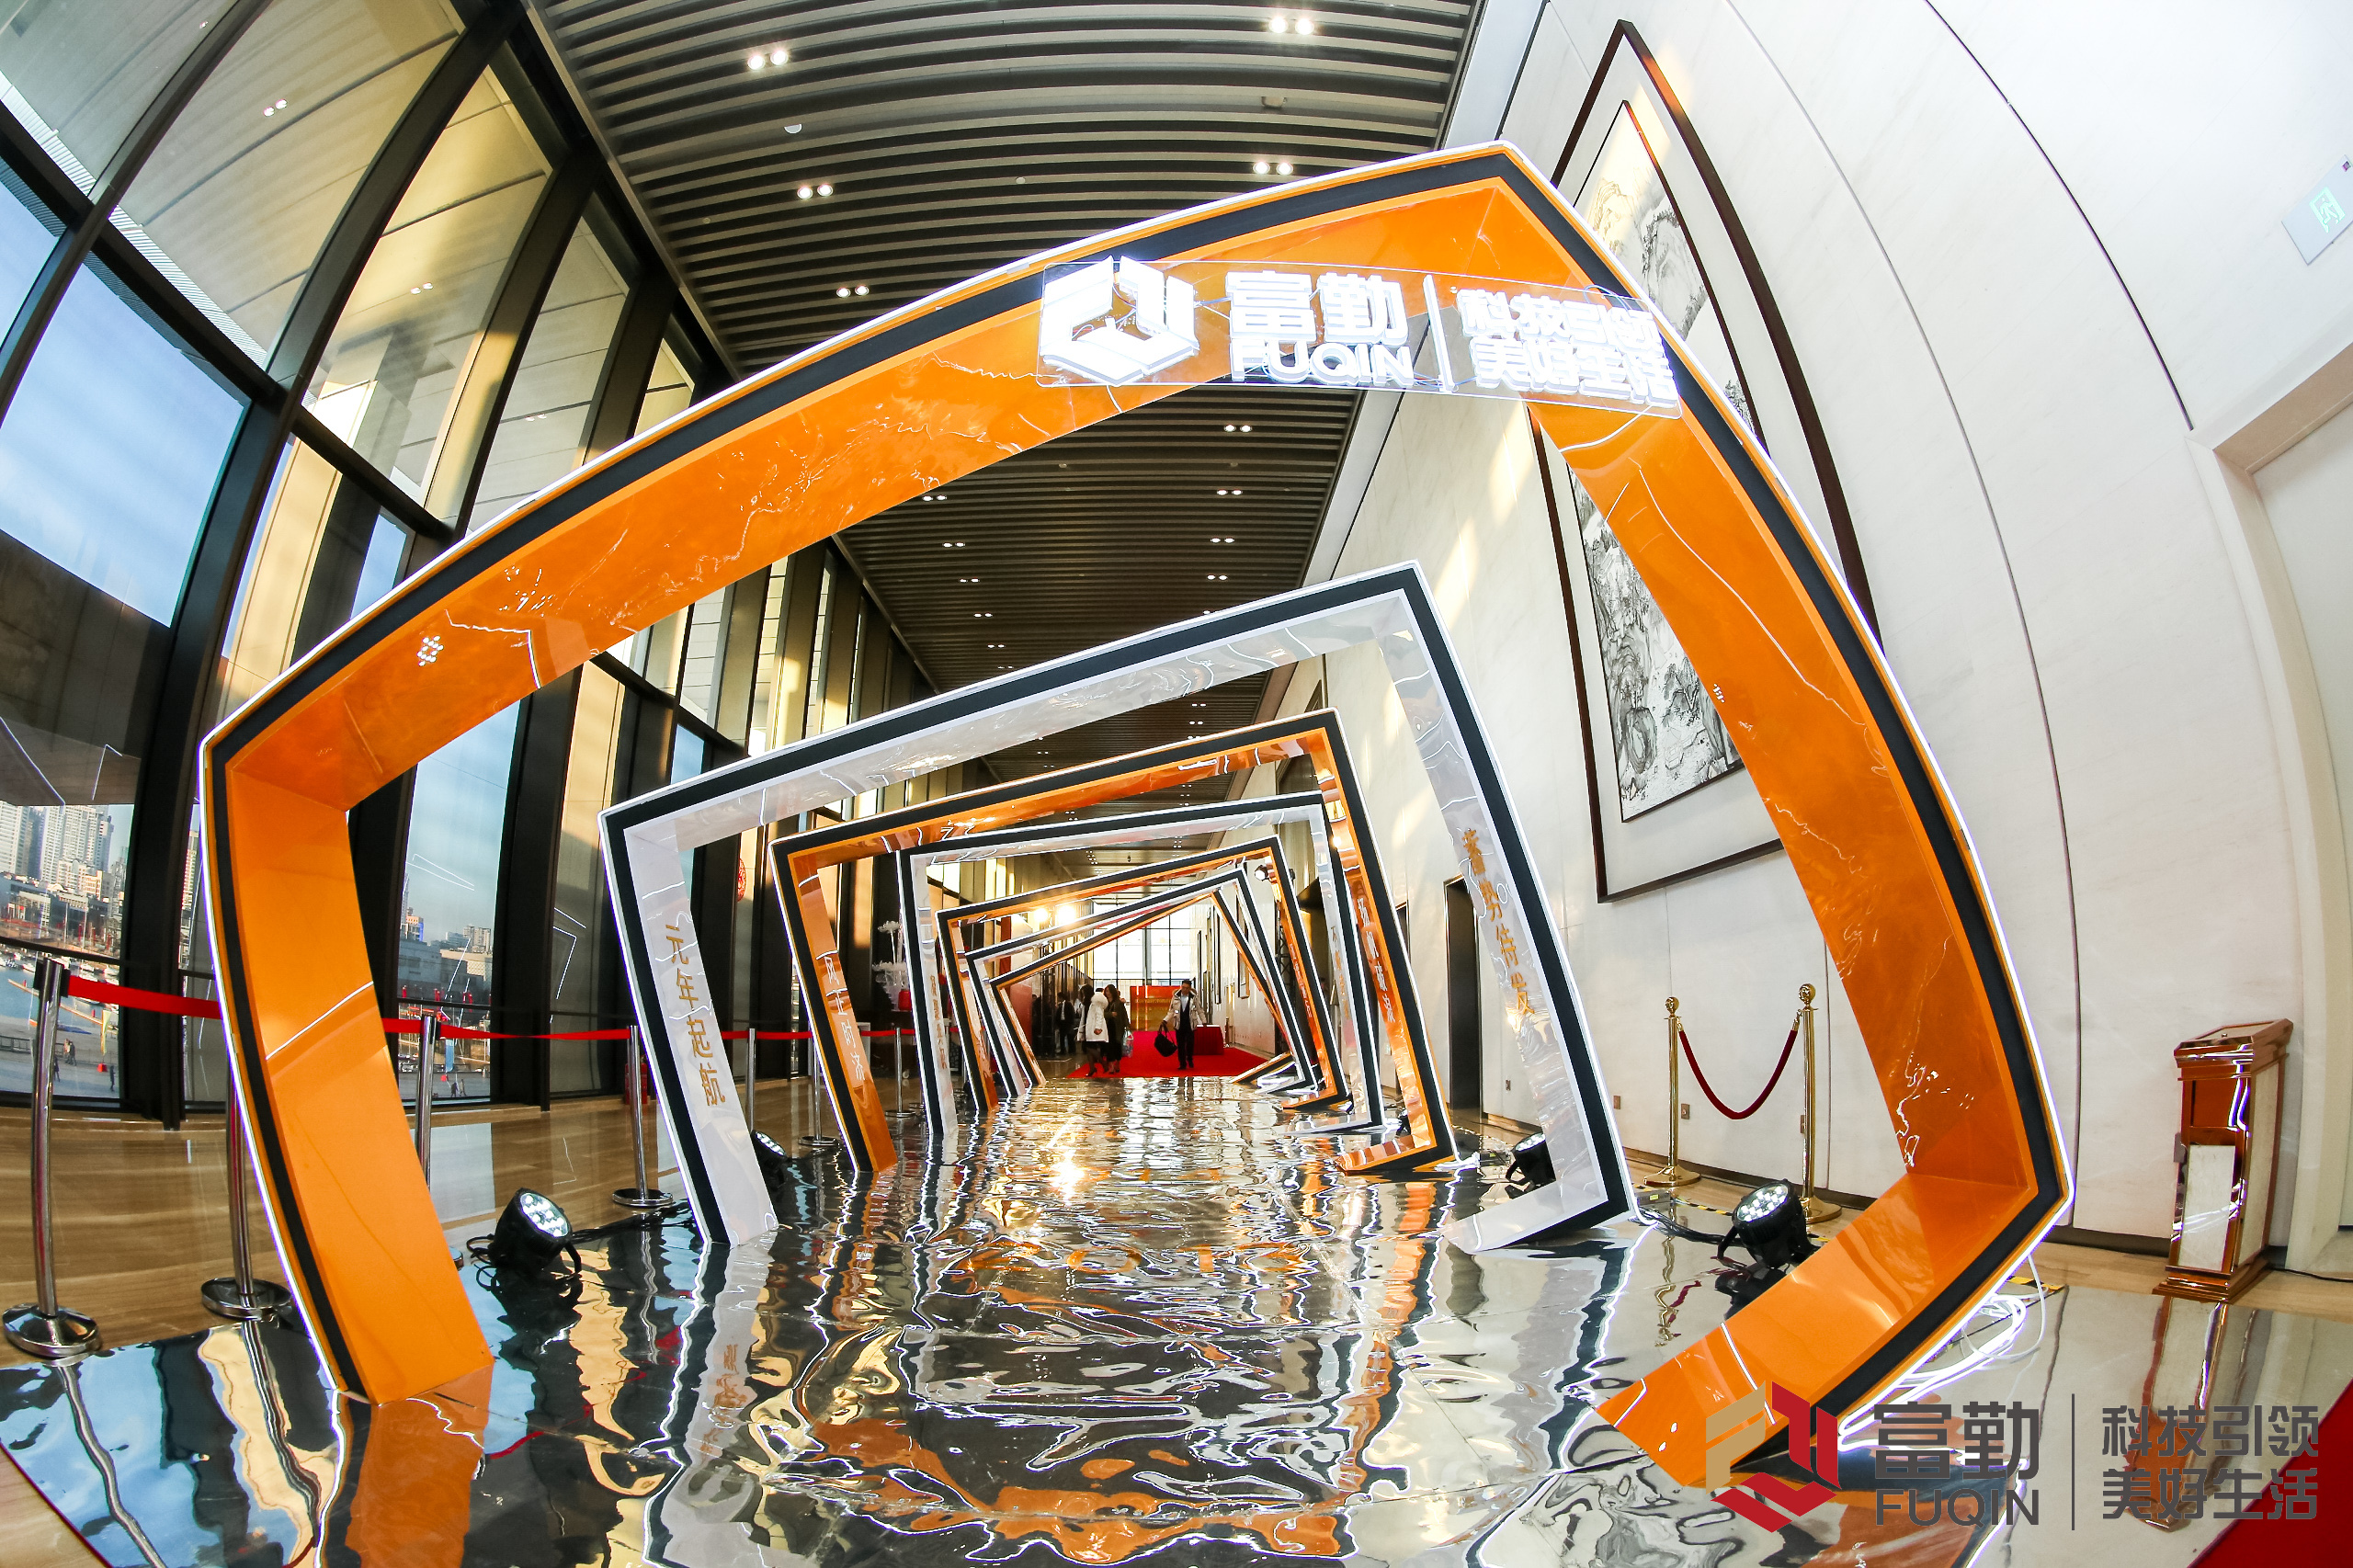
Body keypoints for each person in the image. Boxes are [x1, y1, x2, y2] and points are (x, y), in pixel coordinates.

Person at [1167, 979, 1199, 1072]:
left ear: (1190, 988)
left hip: (1190, 1024)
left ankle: (1189, 1058)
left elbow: (1199, 1009)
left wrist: (1204, 1021)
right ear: (1181, 987)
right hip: (1179, 1024)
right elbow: (1171, 1011)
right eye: (1183, 987)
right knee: (1180, 1045)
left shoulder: (1194, 997)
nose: (1185, 990)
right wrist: (1165, 1020)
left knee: (1190, 1044)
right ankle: (1182, 1063)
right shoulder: (1175, 997)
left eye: (1187, 988)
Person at [1079, 984, 1108, 1074]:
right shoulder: (1087, 1003)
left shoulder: (1095, 1002)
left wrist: (1098, 1027)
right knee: (1089, 1049)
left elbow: (1100, 1015)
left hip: (1094, 1029)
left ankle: (1103, 1063)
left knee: (1089, 1048)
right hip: (1088, 1028)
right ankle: (1092, 1068)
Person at [1102, 983, 1130, 1074]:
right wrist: (1110, 1014)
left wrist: (1127, 1025)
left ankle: (1117, 1062)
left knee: (1117, 1045)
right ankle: (1111, 1065)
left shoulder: (1118, 1002)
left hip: (1118, 1026)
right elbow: (1101, 1013)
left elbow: (1124, 1014)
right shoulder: (1104, 1002)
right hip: (1107, 1026)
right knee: (1109, 1046)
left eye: (1109, 991)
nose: (1108, 993)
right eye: (1107, 991)